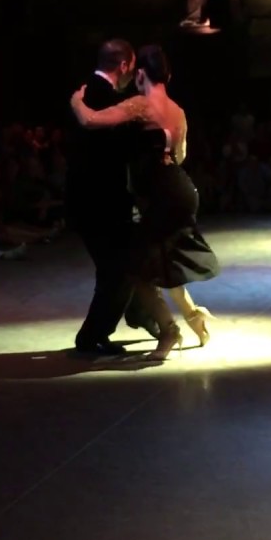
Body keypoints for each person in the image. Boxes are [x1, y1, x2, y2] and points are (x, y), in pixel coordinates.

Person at [70, 45, 220, 361]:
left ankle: (169, 331)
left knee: (136, 269)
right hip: (181, 190)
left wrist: (76, 101)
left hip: (161, 196)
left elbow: (91, 120)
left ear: (140, 74)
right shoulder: (178, 110)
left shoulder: (140, 104)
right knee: (163, 262)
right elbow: (180, 156)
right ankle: (193, 317)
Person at [65, 39, 160, 357]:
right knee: (116, 270)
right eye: (130, 68)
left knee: (117, 267)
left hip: (82, 197)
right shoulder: (116, 101)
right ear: (124, 66)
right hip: (105, 201)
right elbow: (121, 148)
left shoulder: (81, 94)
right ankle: (93, 336)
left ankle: (133, 317)